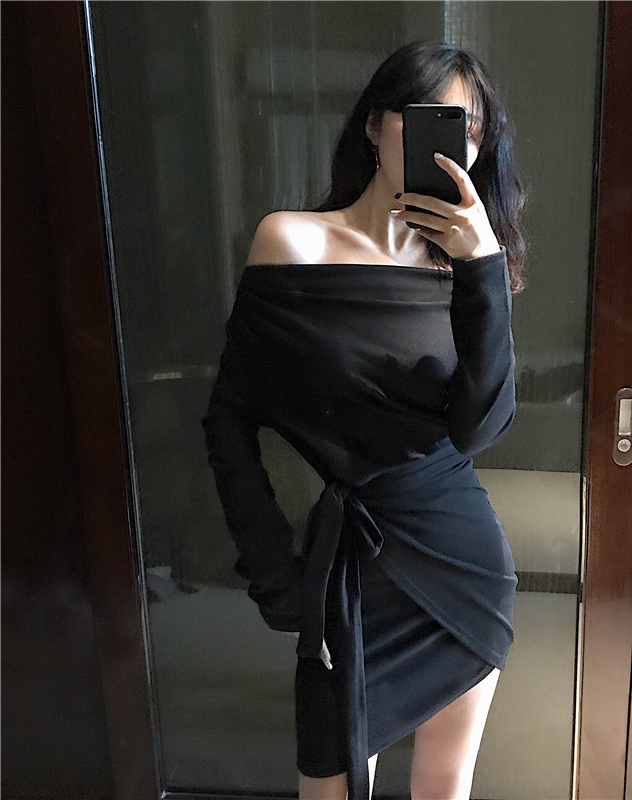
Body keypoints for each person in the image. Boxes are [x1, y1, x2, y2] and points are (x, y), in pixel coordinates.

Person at [201, 40, 526, 800]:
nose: (450, 144)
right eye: (428, 118)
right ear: (377, 125)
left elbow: (480, 430)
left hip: (462, 566)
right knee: (329, 787)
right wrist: (272, 570)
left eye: (468, 129)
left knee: (443, 790)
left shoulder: (469, 271)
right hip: (348, 567)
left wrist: (481, 264)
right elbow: (229, 419)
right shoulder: (290, 241)